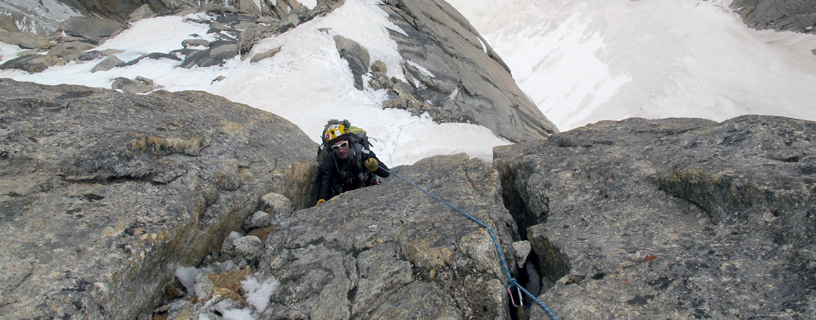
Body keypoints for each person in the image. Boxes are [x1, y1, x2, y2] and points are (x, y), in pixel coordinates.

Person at [316, 123, 389, 205]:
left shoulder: (362, 153)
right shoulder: (331, 159)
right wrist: (322, 198)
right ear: (332, 149)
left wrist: (376, 166)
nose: (341, 150)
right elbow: (326, 179)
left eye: (343, 145)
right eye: (336, 148)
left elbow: (386, 173)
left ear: (349, 142)